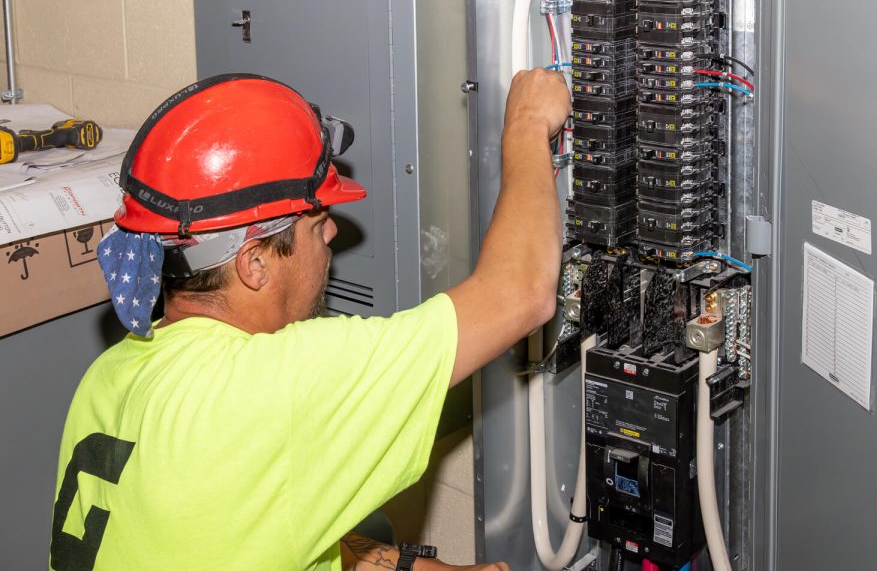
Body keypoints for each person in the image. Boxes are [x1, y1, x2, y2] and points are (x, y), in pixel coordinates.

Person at [49, 68, 570, 570]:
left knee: (377, 533)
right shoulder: (276, 386)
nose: (332, 237)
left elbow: (246, 525)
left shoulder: (109, 374)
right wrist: (526, 124)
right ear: (254, 263)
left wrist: (403, 567)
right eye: (318, 223)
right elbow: (521, 293)